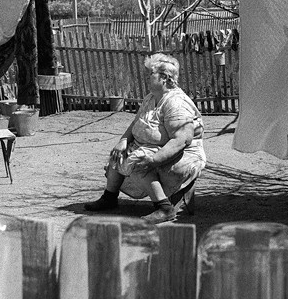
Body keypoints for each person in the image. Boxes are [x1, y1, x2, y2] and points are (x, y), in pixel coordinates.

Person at [84, 53, 206, 223]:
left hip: (182, 153)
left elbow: (182, 139)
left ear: (164, 78)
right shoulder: (150, 98)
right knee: (119, 155)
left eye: (151, 74)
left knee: (140, 162)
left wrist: (155, 159)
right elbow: (136, 123)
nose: (147, 78)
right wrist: (123, 141)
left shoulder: (176, 103)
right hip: (150, 145)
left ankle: (164, 208)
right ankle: (109, 197)